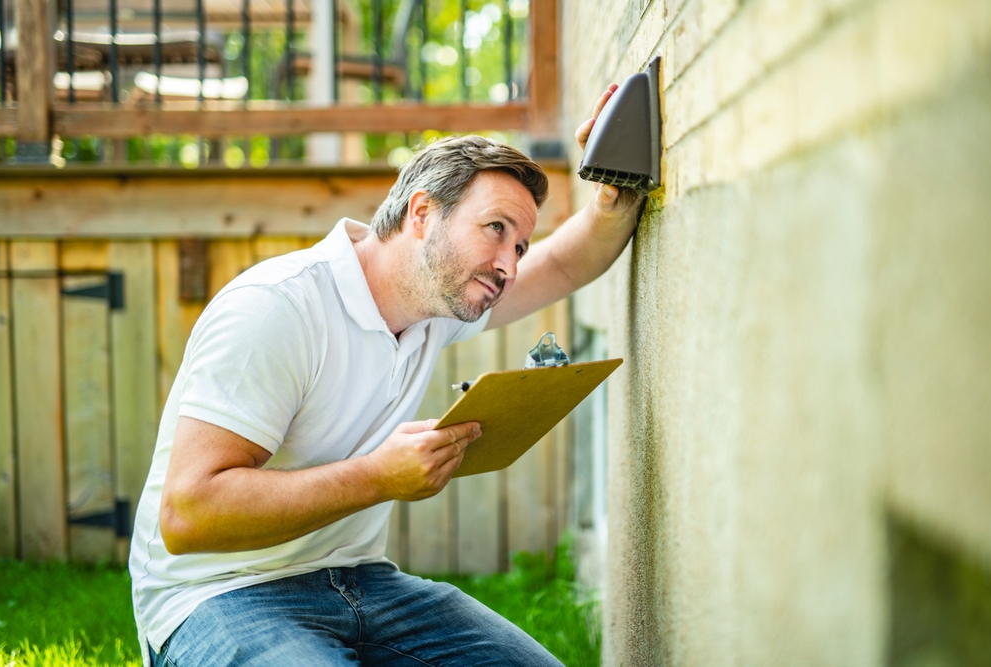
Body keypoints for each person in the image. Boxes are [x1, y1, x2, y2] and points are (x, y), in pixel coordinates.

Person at [129, 85, 640, 667]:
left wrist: (612, 192)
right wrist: (377, 476)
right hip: (218, 594)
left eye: (519, 245)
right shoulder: (277, 308)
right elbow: (188, 514)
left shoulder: (435, 309)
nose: (509, 265)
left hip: (361, 583)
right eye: (495, 229)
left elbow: (566, 261)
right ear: (422, 214)